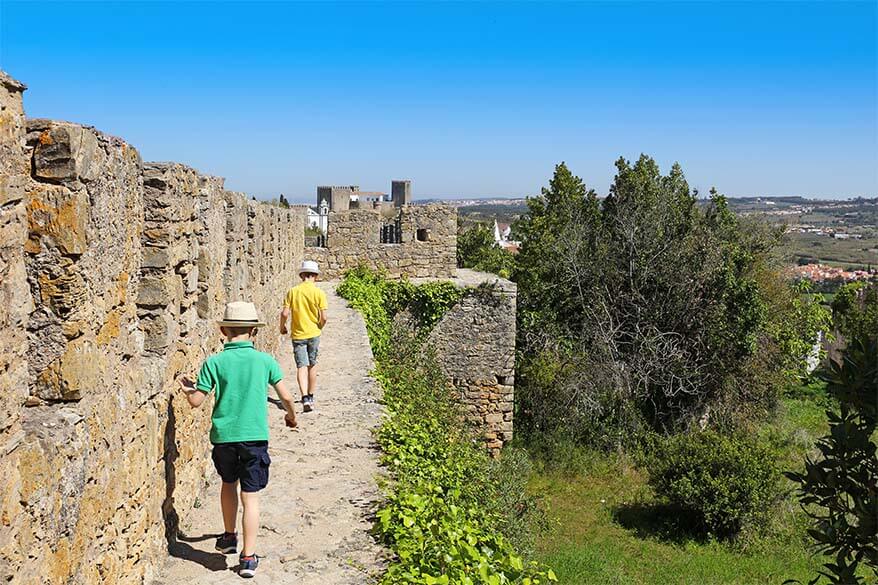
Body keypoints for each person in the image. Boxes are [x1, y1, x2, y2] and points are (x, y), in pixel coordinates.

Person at [178, 301, 298, 578]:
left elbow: (197, 401)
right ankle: (248, 557)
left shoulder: (214, 362)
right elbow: (287, 396)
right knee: (251, 497)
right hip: (254, 437)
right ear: (254, 332)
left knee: (228, 483)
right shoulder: (265, 361)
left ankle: (229, 537)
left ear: (223, 330)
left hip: (224, 437)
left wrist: (187, 390)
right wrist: (291, 416)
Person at [279, 260, 328, 412]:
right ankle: (311, 396)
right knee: (312, 364)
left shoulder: (293, 291)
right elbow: (324, 317)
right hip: (314, 333)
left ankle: (304, 397)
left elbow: (285, 313)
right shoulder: (319, 293)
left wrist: (282, 327)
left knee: (301, 366)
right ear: (316, 276)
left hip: (298, 334)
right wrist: (319, 326)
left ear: (302, 276)